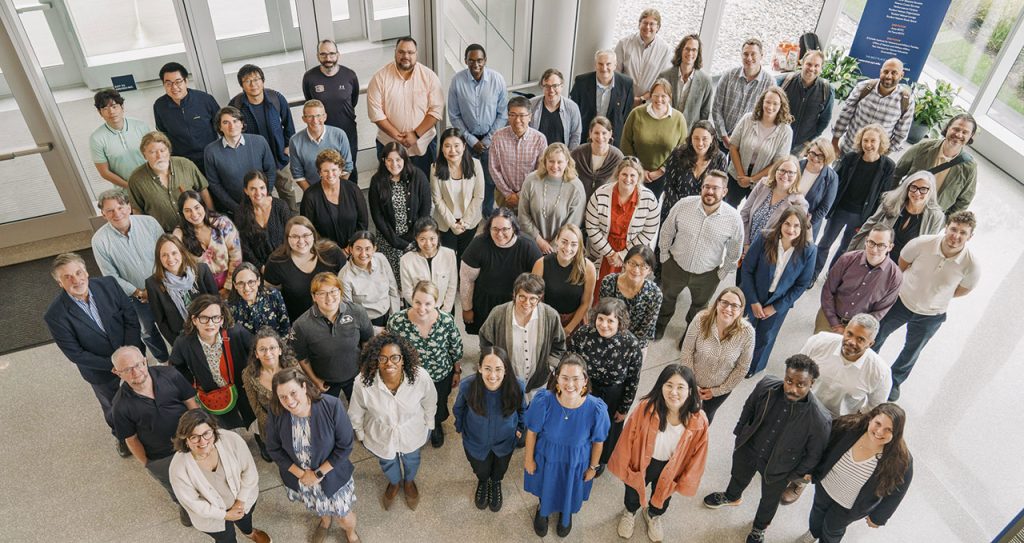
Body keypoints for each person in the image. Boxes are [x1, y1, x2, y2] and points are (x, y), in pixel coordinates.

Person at [702, 355, 832, 543]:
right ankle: (732, 496)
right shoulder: (766, 386)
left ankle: (759, 528)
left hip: (781, 466)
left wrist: (794, 475)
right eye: (789, 381)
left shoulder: (820, 419)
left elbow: (813, 454)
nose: (792, 388)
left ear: (811, 383)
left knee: (769, 500)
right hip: (751, 447)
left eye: (801, 384)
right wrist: (740, 434)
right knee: (739, 474)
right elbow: (749, 408)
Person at [873, 210, 980, 400]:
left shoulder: (971, 265)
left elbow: (963, 290)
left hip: (932, 314)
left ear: (970, 237)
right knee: (879, 333)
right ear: (946, 228)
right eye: (953, 229)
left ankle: (894, 381)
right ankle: (868, 366)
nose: (956, 236)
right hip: (902, 301)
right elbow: (903, 263)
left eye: (963, 233)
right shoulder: (922, 243)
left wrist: (936, 296)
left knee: (912, 350)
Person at [44, 253, 144, 457]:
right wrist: (115, 366)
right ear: (60, 283)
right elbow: (75, 353)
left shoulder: (108, 284)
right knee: (112, 405)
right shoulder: (55, 315)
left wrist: (129, 356)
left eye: (78, 272)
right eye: (68, 277)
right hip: (101, 370)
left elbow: (130, 318)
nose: (76, 280)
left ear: (87, 272)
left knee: (144, 390)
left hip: (132, 356)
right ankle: (122, 436)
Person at [608, 364, 709, 543]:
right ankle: (630, 512)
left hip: (672, 466)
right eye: (669, 385)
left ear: (691, 390)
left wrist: (687, 480)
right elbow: (627, 438)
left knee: (663, 494)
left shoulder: (699, 420)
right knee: (632, 491)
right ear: (660, 386)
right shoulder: (645, 408)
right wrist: (622, 464)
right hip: (642, 461)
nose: (674, 392)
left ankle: (654, 515)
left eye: (680, 387)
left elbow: (698, 455)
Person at [265, 367, 360, 543]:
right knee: (319, 508)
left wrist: (318, 474)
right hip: (302, 479)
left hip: (332, 475)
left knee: (344, 516)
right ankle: (324, 521)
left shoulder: (331, 405)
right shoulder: (276, 411)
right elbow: (273, 449)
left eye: (293, 393)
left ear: (303, 386)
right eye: (283, 397)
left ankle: (350, 532)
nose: (289, 401)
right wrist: (303, 475)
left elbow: (345, 446)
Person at [796, 403, 913, 543]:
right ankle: (813, 533)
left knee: (832, 528)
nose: (880, 432)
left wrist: (879, 517)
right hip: (825, 487)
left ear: (897, 433)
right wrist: (810, 469)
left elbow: (898, 491)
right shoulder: (848, 426)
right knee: (817, 512)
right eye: (878, 423)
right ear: (870, 419)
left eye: (889, 429)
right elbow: (822, 445)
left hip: (851, 506)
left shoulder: (900, 459)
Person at [110, 346, 199, 527]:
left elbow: (191, 403)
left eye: (138, 364)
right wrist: (149, 464)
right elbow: (131, 439)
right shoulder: (119, 406)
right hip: (161, 455)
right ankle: (184, 506)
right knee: (175, 487)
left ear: (145, 360)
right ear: (117, 373)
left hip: (191, 441)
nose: (136, 372)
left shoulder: (170, 375)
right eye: (127, 369)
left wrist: (201, 433)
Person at [524, 353, 610, 537]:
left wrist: (593, 467)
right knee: (545, 485)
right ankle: (543, 509)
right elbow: (532, 432)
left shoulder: (596, 409)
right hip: (547, 458)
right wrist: (528, 459)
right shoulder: (543, 401)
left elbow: (598, 442)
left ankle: (566, 512)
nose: (570, 384)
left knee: (569, 488)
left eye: (576, 378)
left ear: (585, 380)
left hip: (576, 463)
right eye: (565, 378)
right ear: (557, 379)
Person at [349, 332, 437, 511]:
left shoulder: (420, 377)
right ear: (376, 361)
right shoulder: (362, 382)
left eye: (395, 357)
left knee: (412, 459)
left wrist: (430, 424)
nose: (389, 363)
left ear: (403, 359)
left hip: (412, 430)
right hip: (380, 433)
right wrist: (360, 433)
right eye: (383, 358)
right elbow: (356, 410)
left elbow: (429, 401)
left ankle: (409, 481)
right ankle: (395, 482)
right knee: (387, 461)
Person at [657, 171, 744, 336]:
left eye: (715, 188)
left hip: (708, 274)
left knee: (699, 307)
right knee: (667, 299)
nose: (710, 191)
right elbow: (667, 230)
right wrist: (664, 257)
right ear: (702, 188)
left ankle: (690, 333)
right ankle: (660, 325)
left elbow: (734, 251)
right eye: (706, 186)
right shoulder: (684, 205)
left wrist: (721, 273)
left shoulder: (733, 219)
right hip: (675, 266)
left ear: (724, 191)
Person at [169, 409, 270, 543]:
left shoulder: (231, 439)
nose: (203, 442)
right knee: (225, 539)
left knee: (245, 519)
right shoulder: (178, 468)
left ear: (213, 429)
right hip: (211, 516)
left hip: (242, 501)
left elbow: (249, 471)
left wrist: (240, 501)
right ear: (185, 439)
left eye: (206, 433)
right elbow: (193, 503)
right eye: (194, 437)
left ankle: (249, 532)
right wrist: (225, 515)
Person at [92, 189, 170, 362]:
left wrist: (161, 282)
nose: (117, 214)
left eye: (120, 207)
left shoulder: (149, 223)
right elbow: (110, 276)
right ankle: (163, 359)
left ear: (129, 207)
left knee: (174, 320)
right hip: (135, 296)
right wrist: (139, 292)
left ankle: (183, 354)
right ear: (103, 214)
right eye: (110, 210)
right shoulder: (99, 241)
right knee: (147, 330)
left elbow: (166, 253)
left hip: (164, 285)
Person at [567, 298, 643, 473]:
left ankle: (600, 459)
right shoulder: (583, 334)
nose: (604, 325)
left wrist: (624, 407)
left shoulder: (631, 344)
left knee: (607, 428)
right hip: (586, 389)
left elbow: (633, 379)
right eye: (600, 319)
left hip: (613, 394)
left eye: (610, 320)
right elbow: (571, 361)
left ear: (620, 322)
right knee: (581, 424)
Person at [741, 207, 817, 376]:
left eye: (796, 226)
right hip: (754, 293)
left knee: (765, 337)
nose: (791, 229)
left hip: (779, 301)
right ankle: (735, 361)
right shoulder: (764, 238)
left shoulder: (809, 250)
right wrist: (753, 300)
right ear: (781, 223)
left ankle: (754, 367)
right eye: (787, 224)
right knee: (743, 330)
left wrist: (775, 307)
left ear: (803, 228)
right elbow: (746, 269)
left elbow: (801, 285)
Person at [813, 124, 896, 279]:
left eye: (873, 141)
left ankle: (833, 274)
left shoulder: (888, 166)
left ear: (880, 143)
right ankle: (814, 273)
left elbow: (884, 195)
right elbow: (835, 180)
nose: (869, 145)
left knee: (846, 248)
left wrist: (871, 220)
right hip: (840, 209)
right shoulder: (851, 158)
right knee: (825, 243)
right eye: (865, 140)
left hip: (862, 215)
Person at [388, 280, 464, 448]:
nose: (422, 308)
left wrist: (457, 371)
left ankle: (436, 426)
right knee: (413, 405)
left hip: (440, 375)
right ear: (411, 299)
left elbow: (455, 348)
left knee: (439, 403)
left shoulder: (445, 320)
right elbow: (390, 349)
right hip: (410, 377)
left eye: (428, 303)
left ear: (436, 302)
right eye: (417, 302)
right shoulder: (397, 321)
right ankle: (417, 428)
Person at [452, 347, 525, 512]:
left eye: (498, 369)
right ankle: (483, 481)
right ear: (479, 368)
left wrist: (520, 427)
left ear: (505, 369)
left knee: (500, 468)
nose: (493, 376)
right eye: (487, 369)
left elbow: (523, 410)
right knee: (480, 468)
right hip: (475, 442)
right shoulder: (467, 386)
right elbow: (459, 409)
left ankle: (496, 482)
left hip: (505, 441)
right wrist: (460, 428)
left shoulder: (517, 386)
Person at [169, 294, 256, 430]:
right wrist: (193, 384)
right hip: (213, 394)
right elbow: (176, 367)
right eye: (204, 318)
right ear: (194, 320)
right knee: (228, 430)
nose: (210, 323)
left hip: (244, 389)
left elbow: (255, 351)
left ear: (222, 320)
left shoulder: (236, 332)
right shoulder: (183, 342)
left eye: (215, 318)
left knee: (256, 425)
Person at [479, 273, 566, 399]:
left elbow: (559, 345)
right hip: (505, 380)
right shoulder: (498, 314)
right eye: (522, 297)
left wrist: (549, 366)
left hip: (538, 381)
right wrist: (494, 366)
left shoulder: (550, 315)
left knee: (533, 414)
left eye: (533, 299)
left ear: (540, 297)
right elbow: (485, 340)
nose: (527, 303)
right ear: (514, 294)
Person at [367, 36, 444, 177]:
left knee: (423, 185)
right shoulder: (379, 78)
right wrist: (399, 137)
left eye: (410, 52)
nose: (405, 56)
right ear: (395, 52)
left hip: (423, 144)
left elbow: (436, 110)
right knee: (392, 187)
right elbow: (376, 113)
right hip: (389, 145)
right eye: (401, 52)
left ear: (416, 54)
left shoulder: (429, 77)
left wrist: (415, 135)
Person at [460, 208, 543, 335]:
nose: (500, 234)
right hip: (485, 302)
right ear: (489, 228)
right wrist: (467, 309)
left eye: (505, 229)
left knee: (512, 339)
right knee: (487, 340)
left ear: (514, 228)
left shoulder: (528, 246)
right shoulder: (479, 244)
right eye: (495, 229)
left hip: (516, 303)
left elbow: (539, 282)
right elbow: (467, 279)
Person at [292, 272, 374, 401]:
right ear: (314, 297)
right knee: (327, 416)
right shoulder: (301, 325)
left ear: (340, 292)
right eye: (322, 293)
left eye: (333, 291)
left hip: (356, 376)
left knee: (360, 413)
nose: (329, 298)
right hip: (325, 382)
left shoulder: (357, 312)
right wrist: (315, 380)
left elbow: (368, 341)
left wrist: (365, 369)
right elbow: (302, 357)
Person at [447, 43, 507, 216]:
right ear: (465, 61)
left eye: (480, 60)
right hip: (466, 141)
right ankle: (468, 213)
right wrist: (472, 140)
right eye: (471, 60)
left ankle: (487, 212)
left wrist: (487, 140)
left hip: (491, 141)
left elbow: (502, 114)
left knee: (489, 180)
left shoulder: (497, 80)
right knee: (467, 179)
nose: (476, 65)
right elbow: (454, 115)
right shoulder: (457, 81)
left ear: (485, 60)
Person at [229, 63, 298, 212]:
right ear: (242, 85)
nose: (253, 84)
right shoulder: (236, 105)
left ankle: (292, 220)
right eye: (248, 81)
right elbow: (232, 132)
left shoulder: (276, 98)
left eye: (256, 79)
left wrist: (287, 146)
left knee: (287, 192)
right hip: (254, 161)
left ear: (263, 81)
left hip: (279, 157)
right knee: (262, 195)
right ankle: (270, 221)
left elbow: (289, 124)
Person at [679, 287, 755, 423]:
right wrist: (692, 383)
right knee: (681, 412)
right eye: (724, 302)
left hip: (719, 389)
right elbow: (687, 352)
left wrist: (717, 391)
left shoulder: (747, 333)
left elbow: (742, 368)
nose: (728, 308)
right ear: (717, 303)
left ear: (741, 309)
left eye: (734, 306)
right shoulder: (701, 320)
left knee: (704, 419)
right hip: (690, 380)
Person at [800, 315, 892, 420]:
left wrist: (852, 421)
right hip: (802, 403)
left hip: (836, 421)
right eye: (849, 334)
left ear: (870, 344)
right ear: (845, 330)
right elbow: (796, 367)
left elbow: (875, 408)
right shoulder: (819, 341)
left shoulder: (881, 372)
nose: (851, 342)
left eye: (860, 339)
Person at [586, 157, 661, 286]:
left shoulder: (649, 199)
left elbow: (649, 231)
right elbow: (591, 226)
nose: (628, 179)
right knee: (598, 287)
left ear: (639, 177)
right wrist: (609, 253)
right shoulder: (601, 194)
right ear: (618, 175)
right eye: (624, 174)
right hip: (603, 251)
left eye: (632, 175)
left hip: (633, 252)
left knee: (627, 289)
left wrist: (623, 255)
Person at [818, 224, 903, 334]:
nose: (874, 249)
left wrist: (854, 329)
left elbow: (879, 311)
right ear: (866, 240)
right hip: (829, 317)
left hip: (858, 330)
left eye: (881, 245)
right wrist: (834, 323)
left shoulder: (895, 277)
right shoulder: (847, 259)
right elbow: (828, 290)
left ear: (890, 247)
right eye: (871, 243)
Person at [848, 171, 946, 263]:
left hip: (898, 267)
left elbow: (928, 248)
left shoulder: (936, 216)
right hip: (872, 256)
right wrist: (850, 252)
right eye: (913, 187)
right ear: (907, 187)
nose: (917, 193)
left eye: (923, 189)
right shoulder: (891, 201)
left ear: (931, 191)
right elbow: (869, 225)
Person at [369, 142, 432, 280]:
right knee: (392, 280)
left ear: (405, 159)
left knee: (415, 278)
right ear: (384, 161)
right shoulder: (377, 181)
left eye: (398, 159)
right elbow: (377, 215)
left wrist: (410, 238)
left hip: (415, 238)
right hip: (388, 239)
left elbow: (425, 212)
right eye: (389, 160)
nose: (394, 164)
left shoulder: (418, 176)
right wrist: (395, 242)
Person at [892, 113, 978, 215]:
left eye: (965, 132)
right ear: (948, 128)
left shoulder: (969, 166)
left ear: (970, 136)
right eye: (956, 129)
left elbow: (964, 201)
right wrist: (893, 200)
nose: (959, 135)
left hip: (931, 218)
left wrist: (944, 220)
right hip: (904, 206)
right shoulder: (922, 148)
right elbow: (896, 173)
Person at [263, 217, 346, 323]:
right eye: (295, 236)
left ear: (313, 235)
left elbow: (347, 283)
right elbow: (270, 295)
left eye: (306, 235)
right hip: (299, 322)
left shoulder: (332, 252)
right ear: (287, 238)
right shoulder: (276, 261)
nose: (301, 241)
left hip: (335, 317)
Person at [128, 131, 213, 232]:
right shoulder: (136, 179)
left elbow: (203, 190)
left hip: (197, 229)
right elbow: (138, 211)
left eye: (163, 150)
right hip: (165, 235)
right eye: (153, 152)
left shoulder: (185, 164)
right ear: (144, 155)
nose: (159, 156)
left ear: (169, 151)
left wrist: (211, 217)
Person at [725, 86, 795, 207]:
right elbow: (733, 146)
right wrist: (741, 175)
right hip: (736, 173)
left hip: (763, 181)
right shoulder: (747, 119)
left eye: (775, 104)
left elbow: (778, 163)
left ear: (781, 106)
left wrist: (752, 179)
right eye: (767, 102)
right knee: (727, 206)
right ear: (762, 102)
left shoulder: (786, 131)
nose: (770, 107)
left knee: (752, 213)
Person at [302, 39, 360, 183]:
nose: (328, 58)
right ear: (318, 56)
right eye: (323, 54)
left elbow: (354, 100)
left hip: (347, 131)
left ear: (338, 55)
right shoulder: (310, 77)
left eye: (332, 54)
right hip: (323, 134)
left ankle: (351, 199)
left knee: (349, 168)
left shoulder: (350, 75)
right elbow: (310, 103)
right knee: (327, 171)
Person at [620, 78, 688, 200]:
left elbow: (682, 150)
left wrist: (661, 171)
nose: (659, 99)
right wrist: (639, 169)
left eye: (663, 96)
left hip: (665, 176)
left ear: (670, 97)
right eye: (656, 95)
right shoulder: (636, 114)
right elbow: (626, 142)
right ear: (650, 96)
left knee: (653, 211)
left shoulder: (679, 119)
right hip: (635, 173)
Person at [146, 234, 219, 345]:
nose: (170, 259)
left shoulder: (202, 270)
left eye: (174, 253)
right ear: (159, 259)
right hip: (184, 338)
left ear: (182, 252)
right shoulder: (153, 284)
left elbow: (217, 303)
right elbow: (161, 322)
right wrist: (178, 345)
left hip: (212, 330)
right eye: (164, 255)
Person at [203, 106, 276, 217]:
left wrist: (263, 197)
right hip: (235, 210)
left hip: (263, 203)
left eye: (235, 121)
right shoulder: (211, 151)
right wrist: (236, 208)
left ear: (242, 124)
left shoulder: (260, 142)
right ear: (219, 127)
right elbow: (214, 184)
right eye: (226, 122)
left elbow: (270, 171)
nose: (232, 126)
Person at [832, 58, 914, 156]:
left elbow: (901, 134)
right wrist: (834, 142)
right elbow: (845, 115)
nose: (888, 76)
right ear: (880, 72)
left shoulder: (906, 100)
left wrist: (883, 155)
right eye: (886, 71)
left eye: (894, 73)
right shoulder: (863, 87)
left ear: (901, 75)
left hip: (874, 158)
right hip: (848, 149)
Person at [241, 327, 297, 462]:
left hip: (297, 418)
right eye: (262, 349)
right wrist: (277, 426)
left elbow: (305, 394)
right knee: (283, 458)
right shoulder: (249, 374)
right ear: (256, 354)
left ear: (280, 350)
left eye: (272, 347)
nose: (268, 353)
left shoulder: (292, 365)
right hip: (271, 424)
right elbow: (255, 407)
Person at [518, 143, 587, 254]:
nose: (555, 166)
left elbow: (573, 223)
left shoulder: (576, 187)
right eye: (551, 161)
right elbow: (523, 215)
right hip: (531, 244)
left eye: (559, 162)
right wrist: (539, 241)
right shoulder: (531, 180)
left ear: (567, 162)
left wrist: (554, 246)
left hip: (564, 249)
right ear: (544, 161)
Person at [153, 62, 220, 174]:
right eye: (168, 83)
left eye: (178, 82)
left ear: (186, 81)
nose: (174, 87)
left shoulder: (205, 100)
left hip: (211, 158)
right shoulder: (159, 106)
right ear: (163, 84)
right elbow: (163, 134)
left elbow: (221, 126)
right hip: (183, 164)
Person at [430, 127, 486, 261]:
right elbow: (437, 199)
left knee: (465, 257)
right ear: (442, 148)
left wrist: (465, 221)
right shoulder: (435, 168)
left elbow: (479, 196)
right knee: (448, 258)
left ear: (464, 146)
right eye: (447, 146)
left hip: (470, 220)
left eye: (456, 146)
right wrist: (452, 224)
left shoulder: (475, 165)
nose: (452, 150)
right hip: (445, 222)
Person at [713, 39, 775, 154]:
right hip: (721, 138)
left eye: (753, 54)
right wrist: (724, 136)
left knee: (736, 172)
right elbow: (716, 108)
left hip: (747, 143)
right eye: (745, 54)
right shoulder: (728, 76)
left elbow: (767, 117)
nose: (749, 58)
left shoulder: (770, 83)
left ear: (761, 56)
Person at [173, 190, 243, 292]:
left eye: (197, 207)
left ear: (203, 206)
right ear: (182, 213)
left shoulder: (222, 223)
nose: (194, 214)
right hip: (201, 286)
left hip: (231, 280)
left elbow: (236, 257)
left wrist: (228, 287)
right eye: (187, 210)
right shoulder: (180, 233)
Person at [532, 224, 596, 335]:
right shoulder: (541, 264)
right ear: (557, 240)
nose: (568, 248)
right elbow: (536, 299)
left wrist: (568, 329)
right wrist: (549, 323)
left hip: (575, 319)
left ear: (579, 246)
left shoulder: (588, 268)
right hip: (546, 317)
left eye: (573, 244)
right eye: (564, 242)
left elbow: (586, 303)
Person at [660, 120, 728, 223]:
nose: (700, 143)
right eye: (696, 138)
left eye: (704, 139)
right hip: (673, 210)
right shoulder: (678, 154)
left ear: (712, 139)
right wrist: (681, 210)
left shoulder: (720, 159)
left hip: (702, 216)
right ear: (690, 138)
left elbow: (718, 191)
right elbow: (668, 185)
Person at [299, 148, 369, 247]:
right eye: (325, 171)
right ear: (319, 172)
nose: (330, 174)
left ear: (340, 170)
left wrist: (351, 247)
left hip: (355, 248)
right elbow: (309, 229)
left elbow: (363, 222)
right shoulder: (310, 196)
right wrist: (331, 250)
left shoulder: (353, 189)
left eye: (334, 170)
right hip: (325, 251)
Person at [489, 96, 548, 210]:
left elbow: (540, 170)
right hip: (504, 196)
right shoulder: (498, 137)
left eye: (522, 115)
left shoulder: (539, 139)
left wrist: (520, 195)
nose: (517, 120)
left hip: (530, 193)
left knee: (526, 226)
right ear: (508, 116)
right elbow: (493, 168)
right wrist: (508, 194)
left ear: (530, 117)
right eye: (513, 115)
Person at [740, 157, 809, 253]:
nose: (785, 176)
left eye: (790, 172)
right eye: (782, 170)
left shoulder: (799, 203)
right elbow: (744, 213)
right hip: (743, 245)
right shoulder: (763, 184)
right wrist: (746, 244)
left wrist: (754, 252)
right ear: (775, 170)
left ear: (797, 176)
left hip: (768, 253)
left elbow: (789, 236)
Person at [600, 245, 663, 349]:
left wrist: (625, 347)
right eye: (632, 263)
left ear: (650, 270)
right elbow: (603, 314)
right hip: (607, 335)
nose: (636, 270)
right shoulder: (609, 282)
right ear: (625, 263)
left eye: (643, 266)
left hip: (635, 345)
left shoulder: (655, 294)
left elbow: (645, 330)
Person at [570, 49, 634, 145]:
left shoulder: (626, 84)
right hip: (585, 138)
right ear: (595, 65)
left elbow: (626, 115)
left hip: (613, 141)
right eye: (600, 64)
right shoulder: (581, 82)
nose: (604, 68)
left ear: (615, 65)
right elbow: (574, 111)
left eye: (608, 64)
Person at [340, 231, 401, 328]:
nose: (363, 254)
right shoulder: (345, 276)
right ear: (351, 250)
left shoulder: (381, 259)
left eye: (367, 249)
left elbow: (393, 291)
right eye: (358, 249)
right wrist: (373, 330)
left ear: (374, 249)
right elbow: (349, 312)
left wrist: (394, 320)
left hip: (390, 315)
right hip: (366, 324)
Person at [90, 89, 149, 188]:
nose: (111, 112)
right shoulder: (96, 139)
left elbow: (157, 154)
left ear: (122, 107)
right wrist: (130, 187)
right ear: (100, 112)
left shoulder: (141, 126)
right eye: (105, 108)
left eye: (114, 106)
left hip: (152, 182)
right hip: (125, 190)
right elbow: (104, 172)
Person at [289, 99, 354, 189]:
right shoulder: (295, 141)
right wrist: (313, 195)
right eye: (310, 116)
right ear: (304, 119)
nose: (315, 120)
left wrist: (337, 189)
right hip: (312, 190)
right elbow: (297, 174)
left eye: (318, 115)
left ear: (325, 117)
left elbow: (347, 167)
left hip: (338, 187)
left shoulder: (339, 134)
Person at [235, 170, 295, 269]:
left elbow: (292, 235)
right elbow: (244, 246)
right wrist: (260, 268)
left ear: (267, 188)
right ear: (246, 191)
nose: (258, 193)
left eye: (262, 188)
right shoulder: (241, 212)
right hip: (259, 267)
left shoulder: (280, 206)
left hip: (287, 261)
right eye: (253, 189)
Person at [614, 8, 673, 107]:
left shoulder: (665, 51)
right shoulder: (624, 44)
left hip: (648, 104)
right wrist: (626, 98)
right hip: (621, 100)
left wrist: (642, 99)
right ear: (639, 24)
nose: (647, 27)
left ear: (658, 27)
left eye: (652, 24)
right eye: (645, 23)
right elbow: (615, 74)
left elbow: (663, 82)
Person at [778, 50, 834, 153]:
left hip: (800, 146)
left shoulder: (827, 90)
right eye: (809, 64)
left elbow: (825, 119)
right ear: (802, 63)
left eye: (817, 65)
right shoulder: (784, 81)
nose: (812, 69)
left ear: (821, 68)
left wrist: (809, 141)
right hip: (777, 140)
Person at [400, 217, 458, 313]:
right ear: (416, 238)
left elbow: (452, 285)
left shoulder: (449, 255)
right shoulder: (406, 260)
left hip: (444, 309)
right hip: (419, 310)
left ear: (438, 236)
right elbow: (407, 291)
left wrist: (445, 311)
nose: (428, 244)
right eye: (422, 239)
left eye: (432, 238)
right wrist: (423, 309)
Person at [658, 34, 714, 127]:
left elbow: (704, 113)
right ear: (681, 51)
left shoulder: (706, 81)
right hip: (664, 129)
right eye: (687, 49)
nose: (690, 53)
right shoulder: (665, 76)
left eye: (694, 50)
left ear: (698, 53)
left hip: (688, 135)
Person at [227, 263, 290, 338]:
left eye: (251, 282)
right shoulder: (229, 308)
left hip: (274, 347)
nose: (246, 288)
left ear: (258, 281)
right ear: (235, 285)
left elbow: (285, 328)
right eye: (241, 283)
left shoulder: (273, 296)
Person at [570, 116, 625, 202]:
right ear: (590, 133)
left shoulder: (618, 157)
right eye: (596, 133)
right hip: (578, 202)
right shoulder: (578, 154)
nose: (600, 137)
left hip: (605, 205)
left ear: (610, 134)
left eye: (604, 133)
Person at [529, 69, 582, 149]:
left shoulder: (572, 107)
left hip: (561, 158)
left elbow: (576, 136)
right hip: (536, 157)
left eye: (555, 86)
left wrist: (569, 157)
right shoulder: (531, 105)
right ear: (542, 87)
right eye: (547, 86)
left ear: (562, 86)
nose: (551, 90)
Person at [798, 136, 839, 238]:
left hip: (807, 225)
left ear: (827, 158)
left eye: (820, 156)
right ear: (808, 151)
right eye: (813, 153)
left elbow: (824, 208)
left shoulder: (832, 178)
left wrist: (804, 223)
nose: (815, 158)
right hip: (784, 216)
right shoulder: (797, 165)